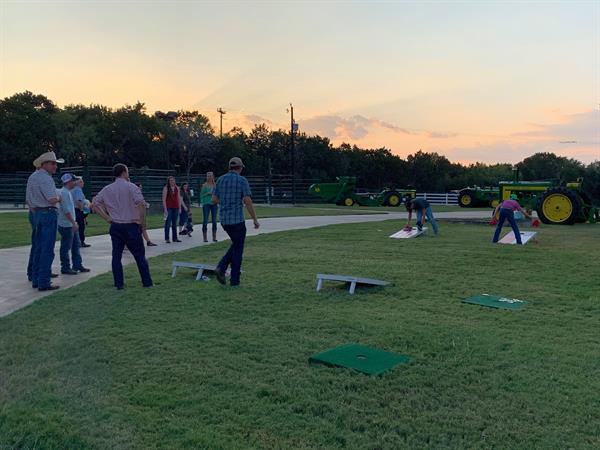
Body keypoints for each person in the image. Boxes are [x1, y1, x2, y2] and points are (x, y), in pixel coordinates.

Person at [92, 163, 153, 289]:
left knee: (116, 256)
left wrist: (107, 217)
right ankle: (147, 282)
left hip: (116, 225)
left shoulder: (107, 189)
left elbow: (95, 203)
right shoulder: (132, 187)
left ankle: (119, 284)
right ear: (124, 172)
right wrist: (142, 222)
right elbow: (141, 204)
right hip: (131, 224)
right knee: (139, 255)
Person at [213, 157, 259, 287]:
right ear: (240, 168)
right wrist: (254, 219)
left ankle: (222, 268)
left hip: (224, 220)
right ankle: (233, 279)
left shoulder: (220, 180)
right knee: (238, 249)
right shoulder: (242, 180)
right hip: (237, 220)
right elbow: (247, 201)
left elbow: (214, 200)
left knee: (235, 245)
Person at [26, 151, 63, 291]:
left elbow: (28, 200)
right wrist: (60, 198)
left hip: (36, 213)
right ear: (44, 164)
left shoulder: (33, 177)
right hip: (48, 212)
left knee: (38, 248)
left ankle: (35, 278)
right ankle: (43, 281)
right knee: (47, 249)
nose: (55, 166)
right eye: (53, 163)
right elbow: (51, 199)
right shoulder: (46, 179)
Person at [57, 173, 90, 275]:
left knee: (76, 244)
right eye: (74, 180)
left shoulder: (67, 192)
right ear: (69, 182)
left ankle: (77, 264)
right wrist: (73, 222)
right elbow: (66, 210)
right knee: (66, 246)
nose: (76, 182)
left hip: (70, 223)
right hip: (67, 224)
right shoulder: (65, 193)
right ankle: (65, 267)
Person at [71, 177, 90, 247]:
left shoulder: (72, 190)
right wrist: (82, 210)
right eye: (81, 182)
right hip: (78, 210)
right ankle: (81, 242)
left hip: (73, 210)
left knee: (74, 226)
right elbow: (78, 201)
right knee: (81, 226)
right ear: (77, 183)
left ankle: (74, 242)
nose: (83, 183)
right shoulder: (78, 190)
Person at [162, 176, 182, 243]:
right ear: (168, 181)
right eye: (170, 180)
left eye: (173, 180)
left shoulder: (177, 188)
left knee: (174, 223)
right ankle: (167, 238)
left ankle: (175, 238)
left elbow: (178, 198)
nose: (172, 181)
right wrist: (165, 209)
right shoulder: (166, 188)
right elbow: (164, 199)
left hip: (175, 207)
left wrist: (179, 208)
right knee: (168, 223)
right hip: (169, 207)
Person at [200, 172, 218, 242]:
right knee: (205, 220)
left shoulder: (215, 185)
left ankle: (214, 237)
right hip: (206, 204)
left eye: (211, 176)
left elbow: (218, 194)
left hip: (214, 204)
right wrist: (207, 194)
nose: (209, 177)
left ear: (213, 177)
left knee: (214, 220)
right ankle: (205, 237)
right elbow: (201, 195)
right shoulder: (204, 185)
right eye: (208, 176)